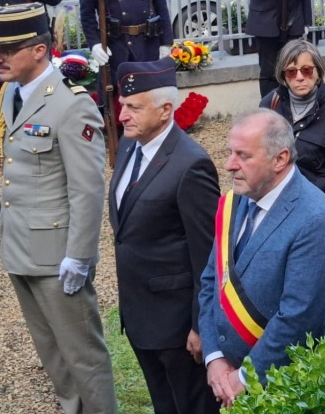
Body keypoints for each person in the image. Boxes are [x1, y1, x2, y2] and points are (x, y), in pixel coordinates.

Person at [0, 3, 117, 413]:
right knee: (53, 356)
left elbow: (87, 188)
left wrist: (79, 257)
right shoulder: (13, 93)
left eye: (7, 49)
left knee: (84, 358)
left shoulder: (71, 103)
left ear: (39, 50)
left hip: (58, 256)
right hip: (21, 247)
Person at [199, 109, 325, 406]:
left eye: (243, 156)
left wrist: (244, 377)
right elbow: (212, 280)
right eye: (230, 153)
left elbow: (299, 316)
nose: (228, 165)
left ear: (280, 159)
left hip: (286, 386)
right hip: (228, 376)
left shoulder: (314, 217)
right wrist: (215, 358)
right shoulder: (235, 200)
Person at [110, 58, 221, 414]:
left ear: (165, 110)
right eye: (122, 106)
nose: (122, 116)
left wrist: (200, 325)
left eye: (133, 107)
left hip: (176, 326)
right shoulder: (130, 146)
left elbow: (207, 252)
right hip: (141, 315)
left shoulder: (191, 165)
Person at [260, 40, 325, 230]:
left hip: (318, 211)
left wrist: (299, 197)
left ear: (319, 72)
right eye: (291, 71)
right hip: (273, 207)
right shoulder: (269, 105)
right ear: (283, 76)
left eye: (306, 70)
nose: (299, 77)